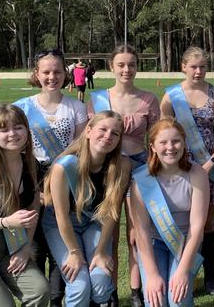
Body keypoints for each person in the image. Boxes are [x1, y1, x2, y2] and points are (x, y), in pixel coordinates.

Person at [88, 45, 161, 307]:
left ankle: (135, 291)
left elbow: (156, 141)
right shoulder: (97, 99)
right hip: (106, 170)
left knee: (137, 232)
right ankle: (110, 293)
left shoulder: (149, 99)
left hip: (140, 170)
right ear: (112, 67)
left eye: (131, 64)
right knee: (108, 232)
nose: (126, 69)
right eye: (121, 64)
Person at [14, 48, 86, 307]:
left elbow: (79, 148)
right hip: (30, 178)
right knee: (34, 241)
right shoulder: (21, 107)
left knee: (59, 241)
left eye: (57, 71)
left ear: (65, 74)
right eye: (46, 72)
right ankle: (35, 297)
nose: (52, 76)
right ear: (37, 74)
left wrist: (56, 184)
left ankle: (56, 299)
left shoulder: (76, 107)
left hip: (65, 178)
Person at [41, 110, 132, 306]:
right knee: (79, 284)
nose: (108, 136)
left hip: (94, 222)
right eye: (103, 129)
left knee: (100, 280)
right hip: (62, 225)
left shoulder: (122, 165)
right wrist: (74, 252)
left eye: (115, 133)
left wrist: (100, 252)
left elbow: (111, 213)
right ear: (88, 131)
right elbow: (61, 217)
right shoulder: (64, 166)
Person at [160, 46, 214, 297]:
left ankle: (210, 278)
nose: (198, 71)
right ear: (183, 67)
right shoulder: (170, 97)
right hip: (178, 169)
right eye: (193, 67)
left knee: (206, 225)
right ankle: (184, 274)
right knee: (183, 223)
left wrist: (211, 161)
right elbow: (162, 134)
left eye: (202, 67)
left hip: (209, 170)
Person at [130, 119, 210, 307]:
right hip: (153, 242)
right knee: (155, 300)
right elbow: (140, 230)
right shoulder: (141, 178)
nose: (170, 147)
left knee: (178, 300)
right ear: (153, 147)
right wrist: (151, 275)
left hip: (185, 242)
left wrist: (183, 270)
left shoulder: (197, 173)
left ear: (184, 142)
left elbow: (197, 227)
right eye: (163, 142)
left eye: (176, 141)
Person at [0, 104, 49, 306]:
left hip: (9, 248)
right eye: (3, 129)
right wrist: (7, 221)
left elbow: (33, 209)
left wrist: (26, 247)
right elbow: (13, 220)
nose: (12, 134)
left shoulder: (31, 163)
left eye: (18, 127)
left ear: (26, 129)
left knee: (40, 291)